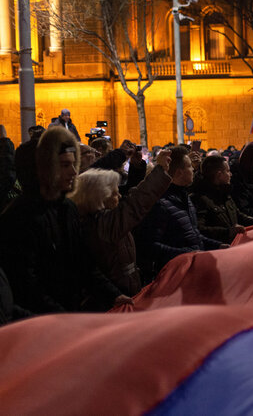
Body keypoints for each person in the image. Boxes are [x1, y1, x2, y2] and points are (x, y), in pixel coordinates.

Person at [0, 127, 130, 313]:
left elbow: (82, 261)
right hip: (38, 325)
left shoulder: (67, 208)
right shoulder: (18, 218)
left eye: (73, 164)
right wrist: (62, 317)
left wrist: (113, 294)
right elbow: (25, 284)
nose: (73, 172)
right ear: (44, 170)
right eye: (64, 165)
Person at [71, 150, 172, 296]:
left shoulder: (103, 219)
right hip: (113, 300)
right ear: (100, 196)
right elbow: (135, 204)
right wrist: (160, 171)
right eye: (114, 192)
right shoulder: (103, 224)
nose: (119, 195)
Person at [135, 146, 227, 279]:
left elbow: (193, 235)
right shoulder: (161, 203)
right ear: (179, 173)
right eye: (190, 166)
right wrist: (184, 254)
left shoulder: (184, 198)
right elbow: (149, 245)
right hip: (176, 276)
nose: (193, 169)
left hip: (192, 270)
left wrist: (217, 245)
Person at [193, 155, 253, 245]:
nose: (230, 174)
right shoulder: (200, 199)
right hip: (219, 250)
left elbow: (238, 215)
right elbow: (200, 229)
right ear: (219, 175)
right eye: (227, 171)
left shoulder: (225, 193)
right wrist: (227, 232)